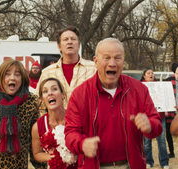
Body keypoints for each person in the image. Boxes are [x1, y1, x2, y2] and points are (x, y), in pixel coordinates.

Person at [64, 38, 163, 169]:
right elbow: (70, 133)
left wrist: (150, 125)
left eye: (118, 58)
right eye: (106, 58)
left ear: (123, 61)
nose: (112, 63)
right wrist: (82, 144)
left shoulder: (139, 89)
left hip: (131, 165)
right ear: (96, 61)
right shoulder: (80, 94)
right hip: (94, 165)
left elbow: (157, 125)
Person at [37, 25, 96, 107]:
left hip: (87, 119)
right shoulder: (47, 73)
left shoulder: (94, 69)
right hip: (57, 119)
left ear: (79, 45)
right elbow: (40, 103)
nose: (69, 42)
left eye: (73, 39)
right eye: (65, 39)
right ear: (59, 46)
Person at [32, 77, 77, 169]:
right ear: (41, 99)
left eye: (54, 89)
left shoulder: (76, 117)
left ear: (63, 95)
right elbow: (37, 153)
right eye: (45, 91)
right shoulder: (38, 126)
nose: (50, 93)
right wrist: (54, 157)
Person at [141, 68, 169, 169]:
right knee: (147, 141)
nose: (151, 74)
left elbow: (165, 98)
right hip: (146, 117)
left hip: (160, 116)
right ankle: (148, 161)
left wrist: (167, 108)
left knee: (161, 140)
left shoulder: (160, 86)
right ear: (144, 76)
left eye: (152, 73)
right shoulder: (140, 86)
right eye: (148, 73)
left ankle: (164, 162)